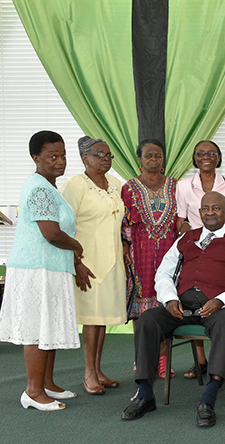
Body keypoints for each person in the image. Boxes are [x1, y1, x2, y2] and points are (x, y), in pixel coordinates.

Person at [122, 192, 225, 427]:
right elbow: (163, 273)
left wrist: (221, 300)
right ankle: (145, 393)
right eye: (205, 208)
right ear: (199, 212)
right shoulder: (185, 238)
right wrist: (169, 299)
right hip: (181, 305)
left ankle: (208, 398)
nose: (210, 213)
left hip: (220, 307)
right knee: (147, 320)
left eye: (216, 208)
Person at [0, 131, 86, 410]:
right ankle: (33, 392)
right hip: (35, 269)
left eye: (62, 155)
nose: (60, 161)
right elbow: (50, 233)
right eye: (52, 156)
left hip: (51, 268)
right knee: (37, 329)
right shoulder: (38, 187)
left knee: (48, 327)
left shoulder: (49, 187)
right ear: (35, 158)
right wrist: (77, 245)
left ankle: (47, 383)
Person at [61, 136, 127, 395]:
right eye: (100, 154)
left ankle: (99, 370)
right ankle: (89, 373)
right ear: (84, 158)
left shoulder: (116, 184)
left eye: (109, 155)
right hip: (87, 262)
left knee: (102, 320)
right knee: (91, 320)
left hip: (112, 262)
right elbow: (65, 226)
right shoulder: (75, 185)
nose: (106, 159)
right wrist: (76, 262)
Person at [175, 140, 225, 379]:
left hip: (222, 249)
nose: (206, 157)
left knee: (222, 305)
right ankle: (200, 361)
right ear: (195, 158)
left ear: (218, 157)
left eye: (211, 153)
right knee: (192, 298)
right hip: (195, 249)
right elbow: (180, 220)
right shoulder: (183, 185)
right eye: (201, 154)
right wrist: (187, 229)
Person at [122, 139, 178, 379]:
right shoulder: (130, 188)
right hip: (141, 252)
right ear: (140, 159)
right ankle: (142, 358)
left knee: (165, 307)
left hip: (170, 251)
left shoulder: (176, 186)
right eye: (149, 156)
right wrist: (125, 247)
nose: (154, 159)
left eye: (158, 156)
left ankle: (163, 361)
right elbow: (124, 223)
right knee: (143, 309)